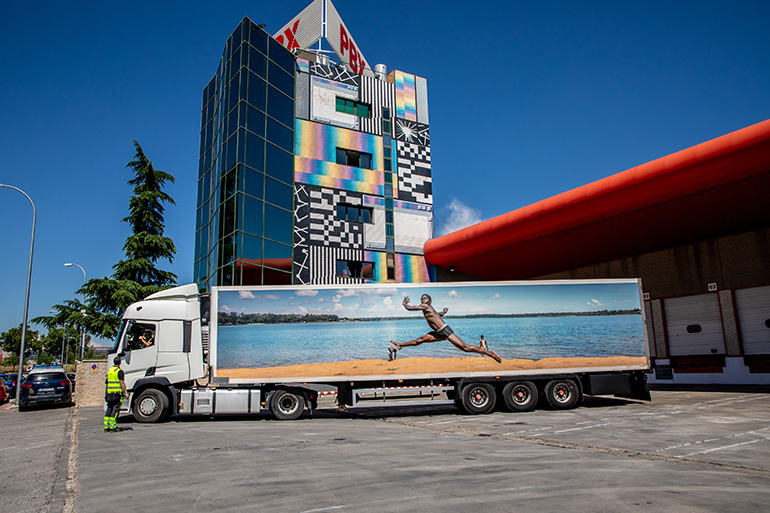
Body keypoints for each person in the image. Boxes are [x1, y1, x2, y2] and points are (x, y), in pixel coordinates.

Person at [390, 294, 502, 363]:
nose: (422, 300)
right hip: (438, 332)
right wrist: (443, 312)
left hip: (444, 330)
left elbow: (411, 308)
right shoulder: (428, 309)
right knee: (420, 340)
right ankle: (401, 345)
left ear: (429, 301)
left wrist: (404, 304)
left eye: (424, 298)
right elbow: (437, 315)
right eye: (421, 299)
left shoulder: (426, 306)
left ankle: (490, 353)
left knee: (465, 348)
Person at [104, 357, 127, 432]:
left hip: (109, 393)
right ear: (120, 362)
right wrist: (125, 392)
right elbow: (122, 382)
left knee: (109, 408)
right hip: (116, 393)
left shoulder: (110, 371)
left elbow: (107, 382)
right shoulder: (119, 371)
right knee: (115, 409)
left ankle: (106, 426)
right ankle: (113, 427)